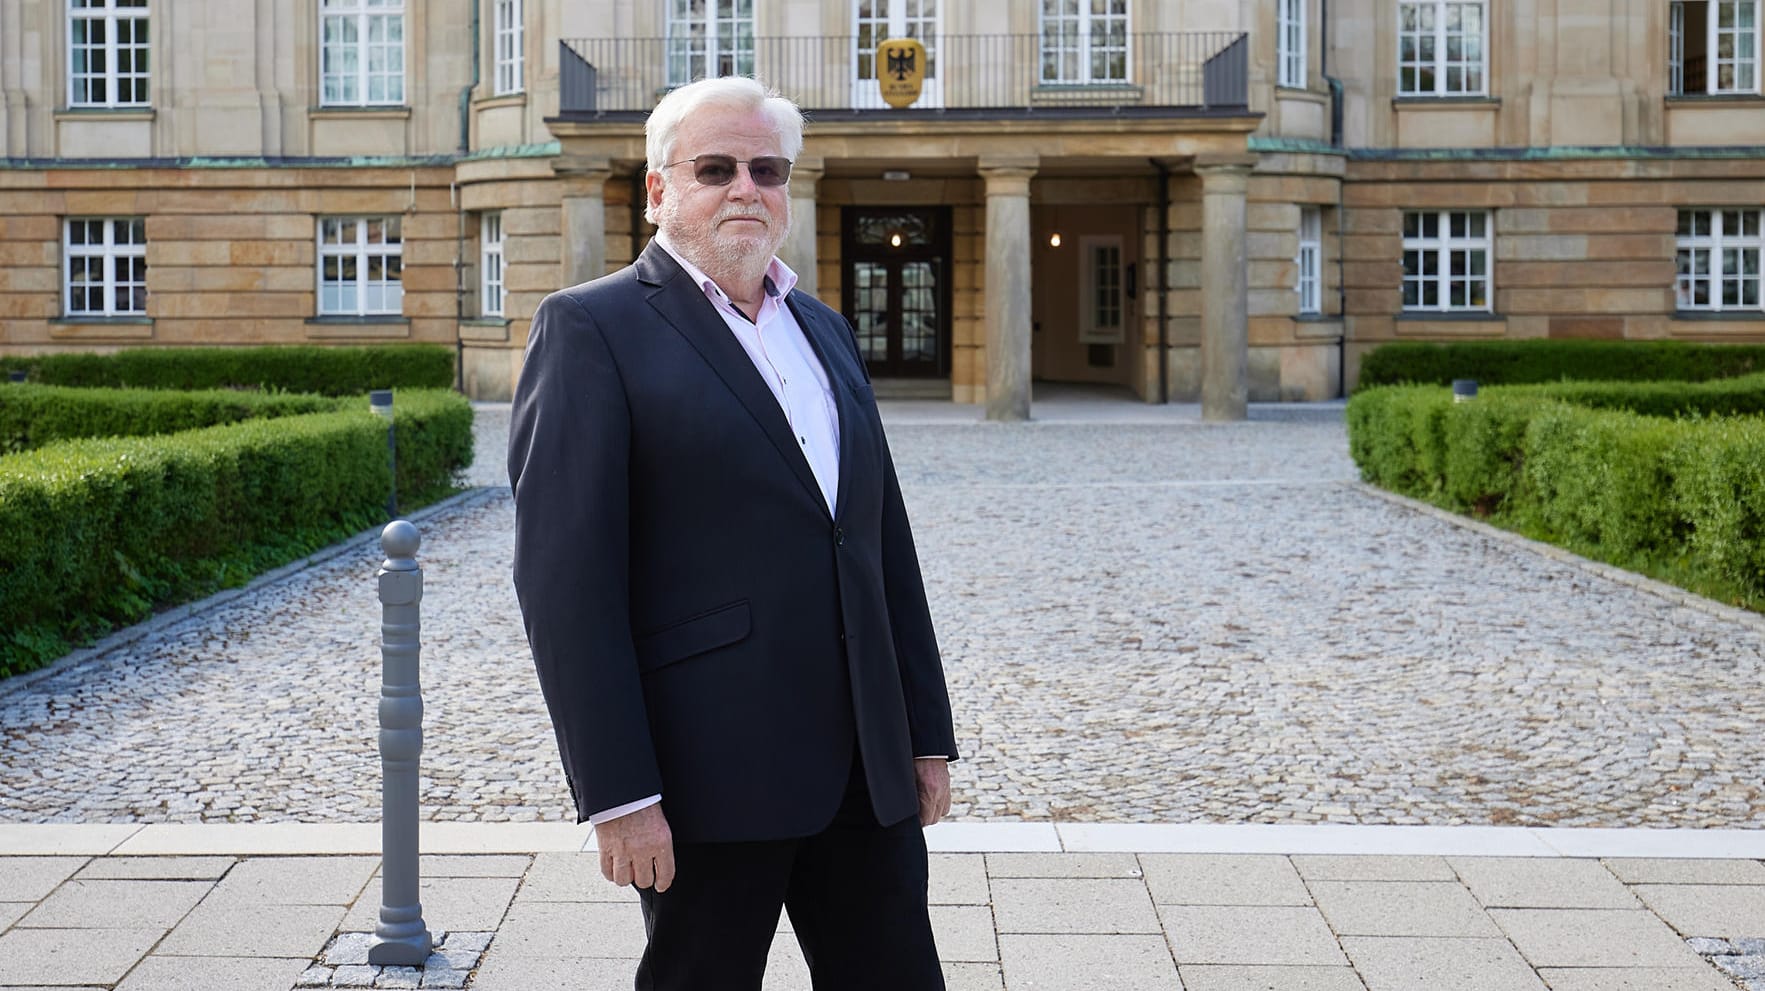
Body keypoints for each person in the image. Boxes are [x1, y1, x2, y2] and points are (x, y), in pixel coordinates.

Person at [507, 75, 960, 991]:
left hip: (861, 775)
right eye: (715, 168)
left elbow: (879, 546)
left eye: (766, 167)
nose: (744, 188)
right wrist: (621, 795)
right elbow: (567, 585)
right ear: (659, 189)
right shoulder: (590, 328)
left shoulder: (825, 330)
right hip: (706, 775)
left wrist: (922, 733)